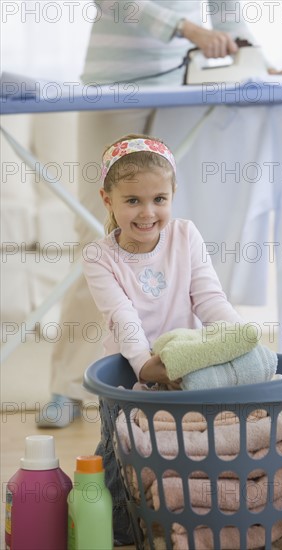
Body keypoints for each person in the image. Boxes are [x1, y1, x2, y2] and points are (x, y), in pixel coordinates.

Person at [38, 0, 282, 428]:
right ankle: (68, 384)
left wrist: (262, 67)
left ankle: (173, 365)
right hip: (113, 79)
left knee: (163, 231)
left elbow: (227, 16)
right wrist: (189, 29)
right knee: (96, 235)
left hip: (180, 82)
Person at [82, 133, 247, 544]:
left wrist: (238, 340)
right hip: (127, 375)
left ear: (173, 194)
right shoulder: (100, 257)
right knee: (120, 456)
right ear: (108, 200)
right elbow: (124, 318)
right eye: (132, 201)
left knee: (182, 454)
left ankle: (180, 524)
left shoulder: (185, 236)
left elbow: (209, 299)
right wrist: (146, 366)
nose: (147, 213)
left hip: (183, 369)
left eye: (159, 199)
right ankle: (124, 531)